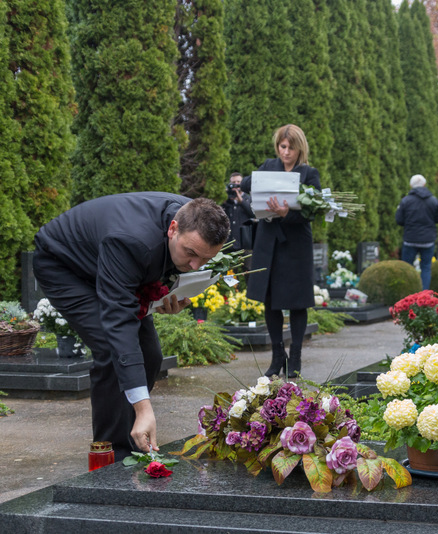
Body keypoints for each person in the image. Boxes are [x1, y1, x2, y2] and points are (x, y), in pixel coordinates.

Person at [33, 194, 230, 461]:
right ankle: (110, 456)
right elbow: (119, 323)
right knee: (110, 349)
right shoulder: (131, 241)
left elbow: (158, 267)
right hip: (65, 266)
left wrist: (168, 295)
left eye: (205, 259)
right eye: (191, 254)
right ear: (173, 228)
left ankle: (132, 437)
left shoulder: (197, 215)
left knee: (150, 354)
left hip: (112, 264)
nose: (195, 265)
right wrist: (143, 407)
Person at [240, 124, 320, 379]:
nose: (286, 152)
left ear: (300, 148)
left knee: (298, 301)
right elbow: (246, 183)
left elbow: (313, 211)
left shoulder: (309, 173)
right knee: (270, 298)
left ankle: (295, 356)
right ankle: (277, 356)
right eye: (282, 146)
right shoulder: (268, 166)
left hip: (295, 244)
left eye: (291, 147)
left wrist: (288, 213)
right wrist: (252, 183)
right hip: (268, 241)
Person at [396, 174, 438, 290]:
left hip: (410, 239)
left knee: (407, 268)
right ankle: (424, 294)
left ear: (411, 185)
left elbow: (399, 220)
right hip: (428, 239)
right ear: (424, 184)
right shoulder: (433, 200)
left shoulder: (406, 201)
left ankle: (408, 292)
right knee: (426, 268)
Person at [221, 172, 256, 253]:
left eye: (238, 182)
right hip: (228, 244)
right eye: (233, 182)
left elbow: (253, 214)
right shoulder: (226, 199)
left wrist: (242, 202)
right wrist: (225, 200)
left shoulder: (248, 198)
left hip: (244, 243)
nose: (236, 185)